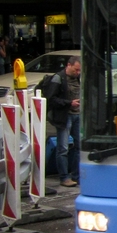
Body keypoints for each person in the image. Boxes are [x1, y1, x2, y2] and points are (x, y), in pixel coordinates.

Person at [44, 56, 81, 187]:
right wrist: (69, 103)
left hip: (77, 115)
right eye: (75, 70)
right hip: (65, 116)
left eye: (79, 71)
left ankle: (76, 176)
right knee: (63, 148)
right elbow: (51, 98)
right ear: (68, 65)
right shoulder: (58, 78)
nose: (77, 73)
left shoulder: (78, 78)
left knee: (79, 146)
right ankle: (64, 177)